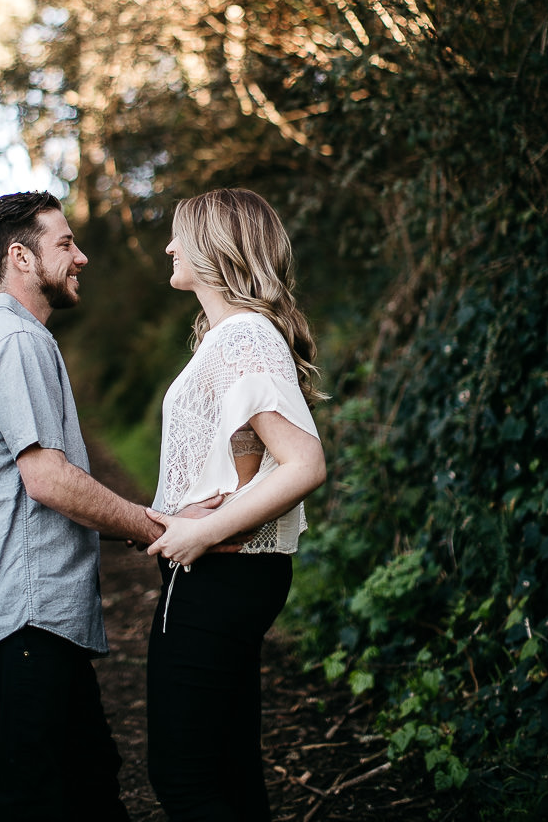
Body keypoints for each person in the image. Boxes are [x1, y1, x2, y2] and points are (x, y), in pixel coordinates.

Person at [0, 190, 182, 822]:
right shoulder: (16, 343)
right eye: (65, 244)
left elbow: (35, 495)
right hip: (27, 617)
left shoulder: (7, 340)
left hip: (34, 616)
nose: (82, 256)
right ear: (21, 257)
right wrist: (153, 525)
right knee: (30, 799)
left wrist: (134, 523)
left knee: (87, 786)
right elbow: (47, 481)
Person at [144, 187, 327, 822]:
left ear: (215, 248)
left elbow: (305, 462)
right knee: (228, 767)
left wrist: (203, 532)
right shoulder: (236, 337)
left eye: (179, 235)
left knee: (185, 777)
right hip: (234, 573)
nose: (168, 246)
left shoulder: (243, 336)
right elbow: (250, 452)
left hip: (216, 574)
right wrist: (227, 500)